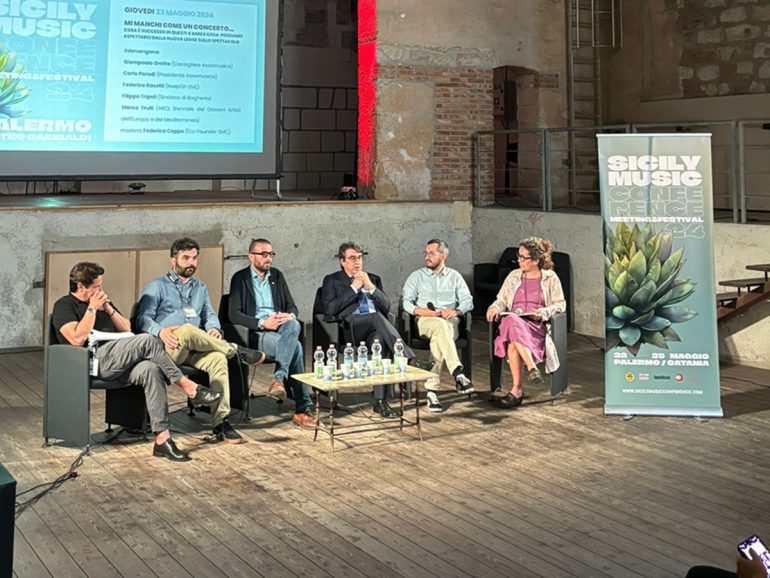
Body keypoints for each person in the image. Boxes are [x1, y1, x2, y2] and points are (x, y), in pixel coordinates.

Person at [52, 262, 223, 462]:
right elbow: (76, 339)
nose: (101, 290)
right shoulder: (64, 305)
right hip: (94, 361)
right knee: (148, 340)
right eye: (97, 287)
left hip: (120, 356)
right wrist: (91, 309)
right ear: (81, 286)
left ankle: (162, 439)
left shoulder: (102, 304)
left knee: (151, 369)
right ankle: (188, 386)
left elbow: (128, 330)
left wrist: (108, 309)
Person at [136, 237, 265, 444]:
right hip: (168, 349)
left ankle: (220, 422)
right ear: (173, 260)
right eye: (186, 258)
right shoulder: (157, 285)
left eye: (195, 258)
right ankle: (234, 350)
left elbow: (210, 315)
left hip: (194, 349)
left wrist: (213, 328)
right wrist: (160, 332)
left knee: (217, 359)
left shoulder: (200, 287)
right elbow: (142, 318)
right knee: (186, 329)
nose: (191, 263)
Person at [228, 238, 315, 429]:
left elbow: (292, 305)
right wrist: (262, 323)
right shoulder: (240, 279)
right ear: (251, 257)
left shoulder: (277, 276)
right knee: (297, 347)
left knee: (293, 326)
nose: (269, 259)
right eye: (264, 254)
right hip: (256, 333)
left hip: (280, 327)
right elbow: (233, 314)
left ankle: (278, 379)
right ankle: (302, 408)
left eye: (271, 254)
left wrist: (288, 315)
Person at [321, 241, 414, 418]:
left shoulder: (373, 278)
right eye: (352, 258)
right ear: (342, 261)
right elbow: (330, 309)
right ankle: (405, 354)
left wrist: (370, 287)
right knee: (375, 316)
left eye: (360, 258)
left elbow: (386, 307)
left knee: (381, 340)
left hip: (373, 328)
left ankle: (380, 402)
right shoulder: (332, 280)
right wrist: (354, 288)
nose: (357, 262)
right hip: (350, 328)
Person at [486, 237, 566, 408]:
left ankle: (517, 391)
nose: (520, 261)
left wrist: (544, 312)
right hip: (512, 322)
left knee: (512, 342)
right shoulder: (514, 276)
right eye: (519, 256)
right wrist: (494, 308)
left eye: (524, 258)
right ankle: (531, 370)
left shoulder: (550, 278)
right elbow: (501, 300)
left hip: (534, 327)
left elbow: (561, 304)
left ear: (536, 260)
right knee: (511, 319)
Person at [401, 239, 474, 412]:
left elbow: (468, 301)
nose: (427, 257)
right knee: (440, 327)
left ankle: (432, 391)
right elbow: (406, 303)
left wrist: (455, 312)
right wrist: (423, 311)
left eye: (431, 253)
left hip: (450, 323)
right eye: (425, 253)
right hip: (425, 321)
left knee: (440, 336)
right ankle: (457, 372)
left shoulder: (454, 276)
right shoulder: (416, 276)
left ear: (443, 255)